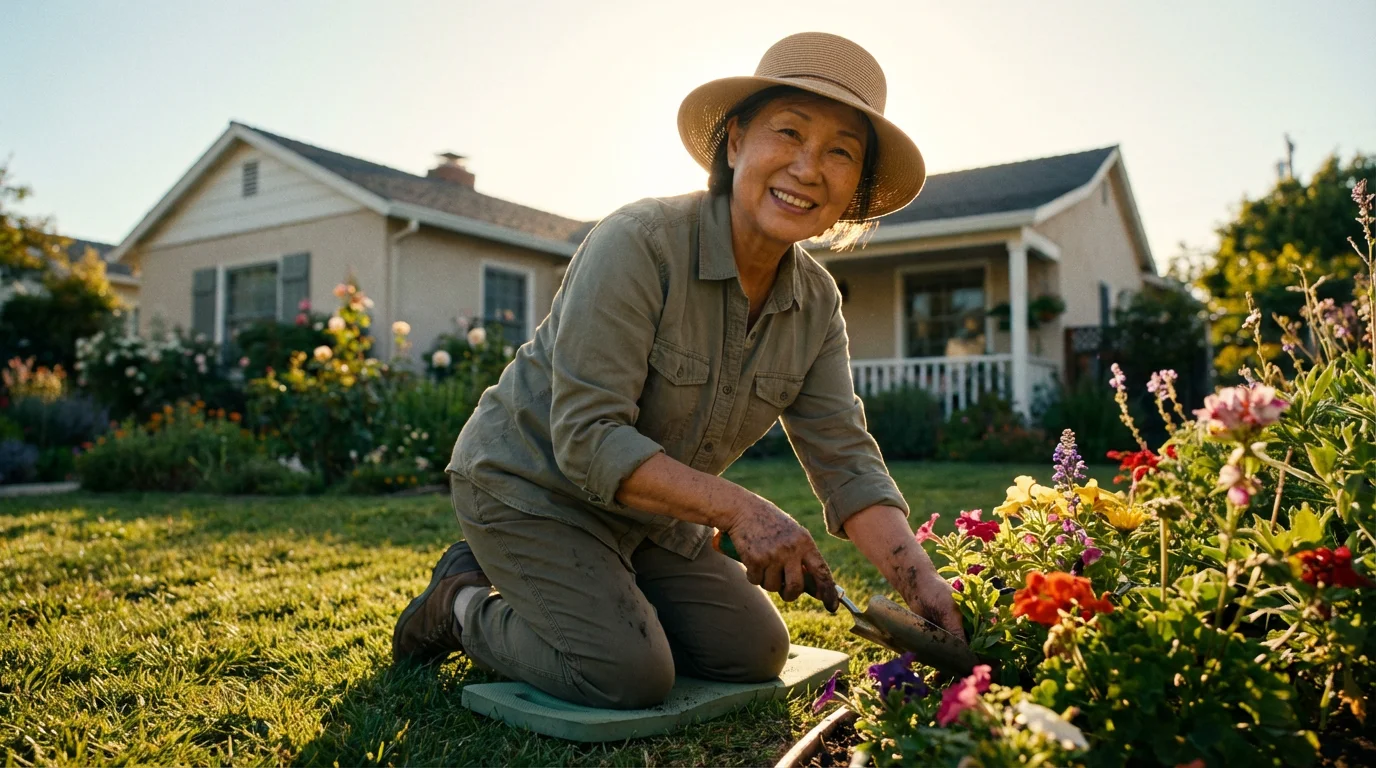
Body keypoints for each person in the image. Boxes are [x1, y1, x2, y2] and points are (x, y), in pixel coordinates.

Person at [393, 31, 962, 709]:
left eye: (841, 152)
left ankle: (600, 589)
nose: (809, 168)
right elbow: (587, 439)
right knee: (628, 673)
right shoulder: (638, 243)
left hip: (646, 516)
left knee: (754, 653)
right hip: (529, 486)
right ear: (734, 143)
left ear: (854, 189)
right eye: (788, 132)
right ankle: (457, 601)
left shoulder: (815, 305)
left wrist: (922, 586)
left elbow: (846, 461)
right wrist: (743, 510)